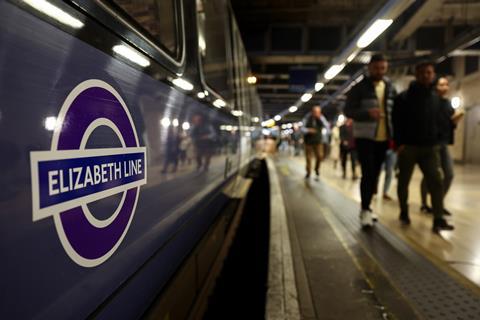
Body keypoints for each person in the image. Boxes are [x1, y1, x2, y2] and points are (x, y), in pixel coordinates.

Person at [393, 62, 454, 232]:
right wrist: (399, 144)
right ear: (416, 74)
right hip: (409, 148)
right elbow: (396, 123)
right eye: (422, 72)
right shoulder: (403, 98)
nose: (426, 75)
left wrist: (438, 140)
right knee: (403, 182)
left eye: (429, 72)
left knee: (436, 182)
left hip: (430, 148)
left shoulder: (436, 98)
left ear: (433, 74)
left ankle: (438, 218)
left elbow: (440, 122)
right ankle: (404, 212)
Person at [344, 54, 396, 228]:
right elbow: (348, 110)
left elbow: (395, 111)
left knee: (375, 174)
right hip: (365, 137)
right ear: (369, 68)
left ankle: (368, 206)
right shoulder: (359, 88)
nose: (379, 71)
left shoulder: (389, 87)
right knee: (367, 173)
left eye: (383, 68)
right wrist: (367, 114)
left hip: (383, 138)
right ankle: (365, 209)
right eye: (376, 68)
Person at [420, 76, 464, 215]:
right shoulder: (428, 102)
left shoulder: (447, 104)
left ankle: (437, 203)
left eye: (446, 85)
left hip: (444, 143)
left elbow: (450, 125)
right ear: (435, 86)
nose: (445, 87)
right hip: (431, 144)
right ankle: (425, 203)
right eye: (441, 84)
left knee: (449, 174)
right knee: (430, 176)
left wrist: (455, 120)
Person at [303, 105, 327, 180]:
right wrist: (308, 130)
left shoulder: (322, 118)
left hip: (318, 140)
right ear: (312, 112)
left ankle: (316, 169)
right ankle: (308, 172)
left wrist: (320, 118)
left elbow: (327, 126)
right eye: (316, 112)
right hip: (308, 141)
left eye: (318, 112)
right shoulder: (307, 118)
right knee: (308, 158)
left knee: (320, 156)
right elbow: (302, 128)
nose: (317, 113)